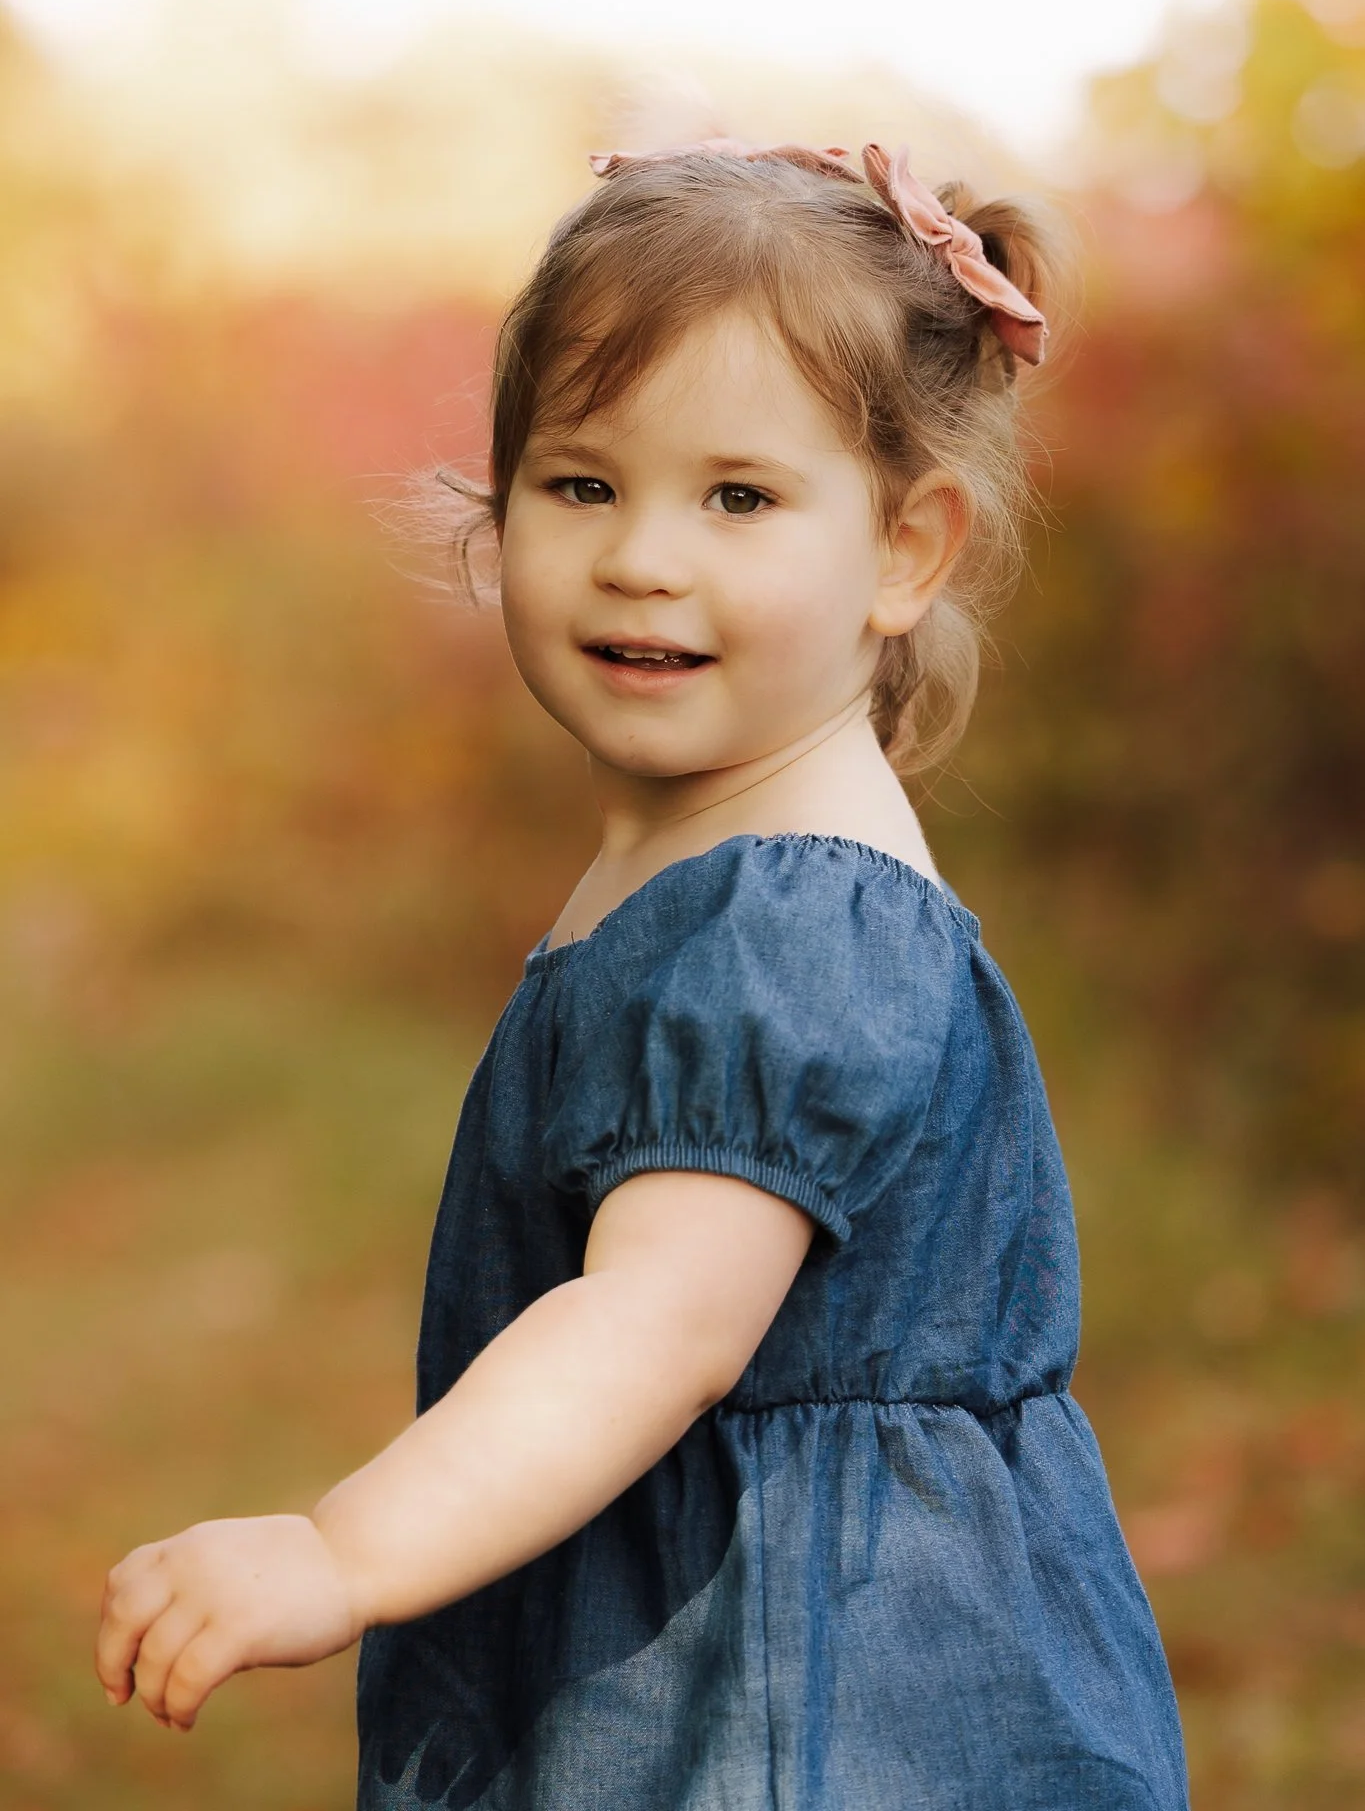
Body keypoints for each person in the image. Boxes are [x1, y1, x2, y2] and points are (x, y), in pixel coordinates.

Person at [95, 138, 1189, 1809]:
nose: (642, 557)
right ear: (500, 497)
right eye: (583, 482)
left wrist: (343, 1548)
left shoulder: (795, 911)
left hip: (803, 1696)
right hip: (716, 1632)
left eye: (739, 497)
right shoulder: (704, 850)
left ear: (907, 550)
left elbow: (658, 1321)